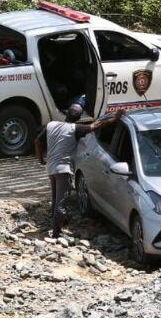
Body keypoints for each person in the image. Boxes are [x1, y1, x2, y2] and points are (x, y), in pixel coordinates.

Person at [35, 97, 114, 239]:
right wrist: (113, 119)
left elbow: (37, 142)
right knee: (61, 201)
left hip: (51, 167)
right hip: (63, 169)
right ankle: (57, 233)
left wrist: (41, 159)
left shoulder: (51, 125)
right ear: (79, 117)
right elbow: (95, 125)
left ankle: (60, 221)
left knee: (55, 198)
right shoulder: (75, 129)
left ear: (66, 114)